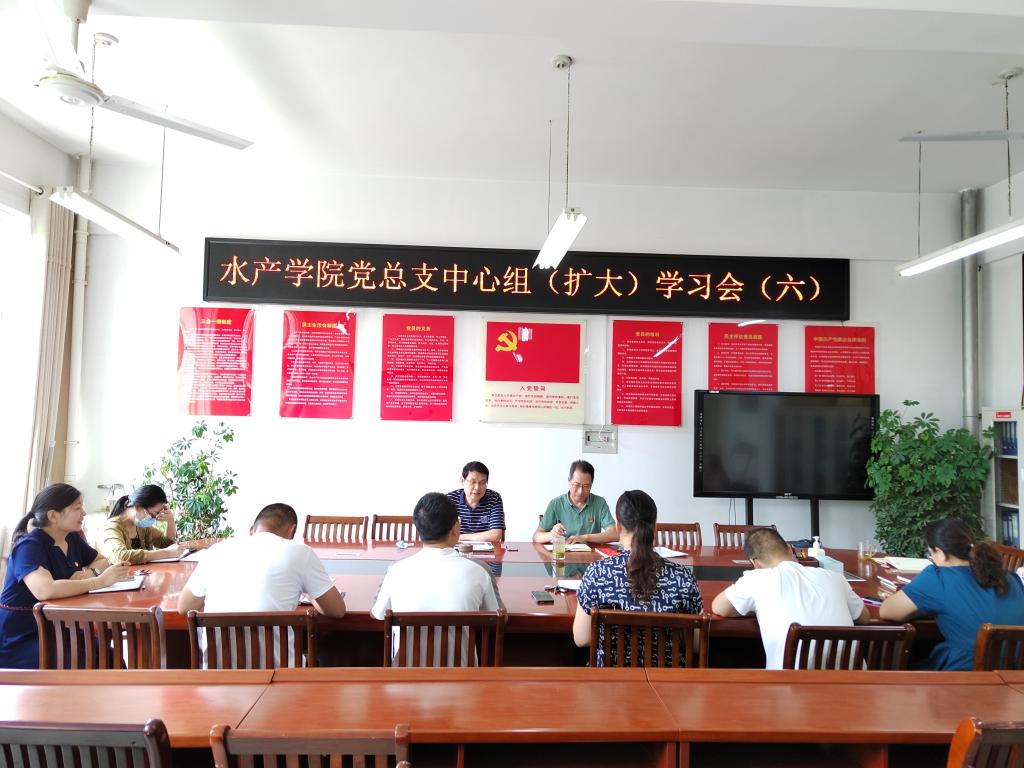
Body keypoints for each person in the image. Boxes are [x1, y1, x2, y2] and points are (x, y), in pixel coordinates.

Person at [0, 484, 131, 668]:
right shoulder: (29, 546)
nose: (84, 513)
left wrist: (88, 574)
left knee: (110, 656)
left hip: (60, 627)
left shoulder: (71, 538)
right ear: (53, 516)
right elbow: (44, 590)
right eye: (77, 508)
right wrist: (99, 581)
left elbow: (101, 560)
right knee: (88, 663)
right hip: (24, 636)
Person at [573, 490, 704, 666]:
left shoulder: (597, 574)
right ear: (654, 526)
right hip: (669, 681)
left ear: (618, 527)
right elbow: (696, 644)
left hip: (608, 681)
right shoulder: (683, 578)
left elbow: (582, 639)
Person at [371, 492, 502, 664]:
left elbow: (377, 614)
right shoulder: (479, 571)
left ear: (418, 530)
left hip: (404, 678)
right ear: (456, 528)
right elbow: (498, 617)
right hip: (464, 679)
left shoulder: (396, 571)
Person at [711, 527, 868, 669]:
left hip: (791, 686)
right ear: (789, 548)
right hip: (855, 684)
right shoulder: (835, 578)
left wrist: (759, 608)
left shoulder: (757, 579)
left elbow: (719, 607)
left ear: (755, 563)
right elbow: (864, 617)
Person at [879, 517, 1024, 670]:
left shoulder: (937, 578)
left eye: (930, 554)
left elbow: (887, 612)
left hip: (965, 674)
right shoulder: (1010, 577)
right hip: (1015, 673)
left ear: (941, 553)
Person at [177, 503, 346, 617]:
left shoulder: (216, 551)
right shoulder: (300, 553)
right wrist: (309, 590)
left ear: (251, 530)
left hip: (217, 662)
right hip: (278, 662)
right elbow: (337, 611)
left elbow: (184, 607)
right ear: (291, 530)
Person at [533, 459, 616, 545]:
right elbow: (536, 536)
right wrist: (552, 534)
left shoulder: (599, 503)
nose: (580, 491)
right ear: (569, 481)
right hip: (563, 552)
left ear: (591, 484)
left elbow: (615, 534)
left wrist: (585, 537)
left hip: (591, 552)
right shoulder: (556, 504)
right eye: (576, 485)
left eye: (586, 486)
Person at [100, 484, 185, 565]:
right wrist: (166, 553)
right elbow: (121, 556)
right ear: (138, 507)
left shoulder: (142, 527)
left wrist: (170, 521)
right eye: (154, 514)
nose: (154, 519)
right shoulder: (111, 528)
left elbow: (166, 544)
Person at [446, 461, 505, 543]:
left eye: (482, 483)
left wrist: (459, 537)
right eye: (472, 482)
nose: (477, 487)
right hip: (455, 548)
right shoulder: (449, 499)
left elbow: (496, 535)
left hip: (487, 549)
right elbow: (442, 533)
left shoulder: (494, 498)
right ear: (462, 481)